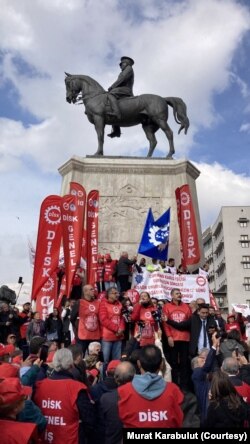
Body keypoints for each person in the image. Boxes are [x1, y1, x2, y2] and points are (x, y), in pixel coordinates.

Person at [34, 348, 96, 443]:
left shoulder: (39, 385)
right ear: (71, 365)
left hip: (44, 438)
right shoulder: (77, 388)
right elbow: (89, 420)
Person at [117, 344, 184, 428]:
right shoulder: (174, 391)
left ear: (138, 363)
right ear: (161, 365)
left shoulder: (123, 391)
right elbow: (179, 421)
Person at [162, 288, 191, 390]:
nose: (179, 295)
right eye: (177, 293)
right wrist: (169, 336)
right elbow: (165, 323)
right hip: (173, 338)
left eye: (180, 293)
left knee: (184, 363)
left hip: (185, 338)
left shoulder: (187, 307)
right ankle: (174, 385)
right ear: (172, 295)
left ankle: (184, 387)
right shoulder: (166, 307)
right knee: (173, 363)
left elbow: (189, 323)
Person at [107, 56, 134, 138]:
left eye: (122, 64)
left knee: (110, 94)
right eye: (120, 64)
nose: (120, 65)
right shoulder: (123, 71)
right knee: (110, 104)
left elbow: (122, 79)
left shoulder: (129, 69)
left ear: (127, 63)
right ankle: (116, 130)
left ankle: (116, 113)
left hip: (126, 90)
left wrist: (112, 87)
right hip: (121, 89)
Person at [70, 284, 101, 355]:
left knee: (95, 356)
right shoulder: (79, 302)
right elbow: (72, 318)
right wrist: (77, 327)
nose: (94, 291)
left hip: (95, 336)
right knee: (80, 356)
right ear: (85, 292)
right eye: (91, 289)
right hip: (82, 336)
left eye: (93, 289)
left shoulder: (98, 302)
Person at [99, 287, 125, 363]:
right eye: (114, 293)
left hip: (118, 336)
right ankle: (103, 375)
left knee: (116, 361)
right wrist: (117, 329)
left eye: (117, 293)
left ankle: (116, 375)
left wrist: (121, 329)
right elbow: (103, 320)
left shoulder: (119, 304)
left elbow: (122, 318)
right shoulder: (103, 304)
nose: (117, 295)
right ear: (109, 294)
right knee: (105, 360)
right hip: (107, 337)